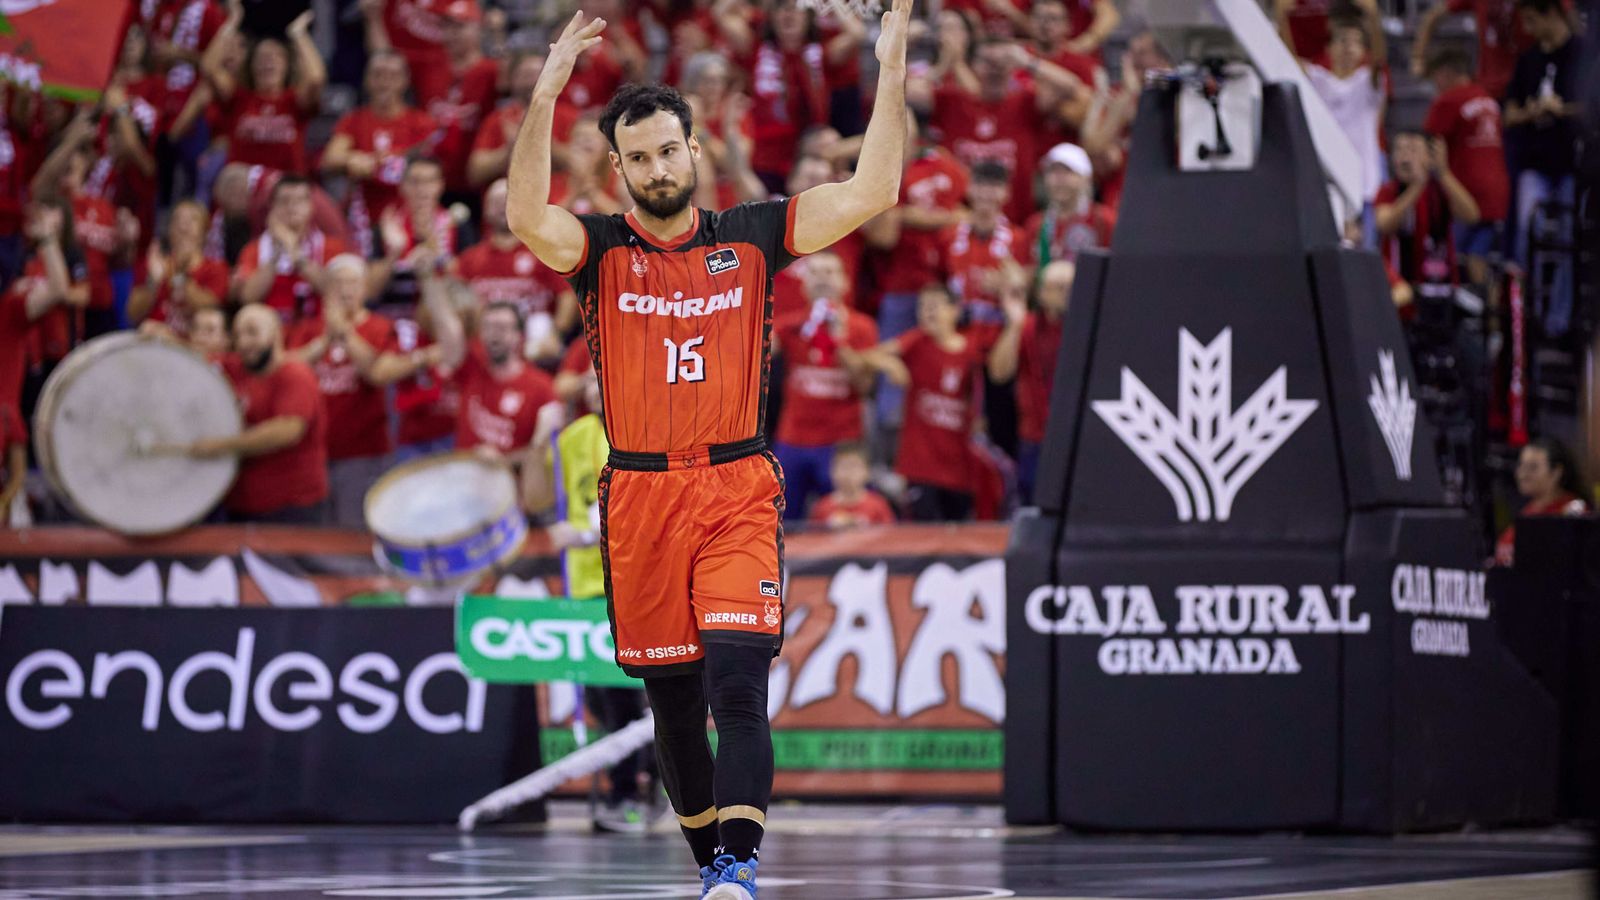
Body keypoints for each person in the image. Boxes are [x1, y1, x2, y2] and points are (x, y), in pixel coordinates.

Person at [504, 2, 913, 895]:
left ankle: (738, 868)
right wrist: (544, 94)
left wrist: (891, 67)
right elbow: (524, 213)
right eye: (638, 156)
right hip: (641, 498)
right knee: (677, 716)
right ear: (618, 169)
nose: (656, 167)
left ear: (696, 151)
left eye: (668, 149)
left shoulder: (752, 236)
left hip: (734, 488)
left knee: (739, 686)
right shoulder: (599, 249)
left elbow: (873, 191)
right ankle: (713, 875)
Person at [523, 371, 656, 833]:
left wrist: (584, 534)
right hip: (585, 588)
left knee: (628, 699)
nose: (597, 390)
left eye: (606, 379)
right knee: (605, 697)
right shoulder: (575, 435)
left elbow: (647, 510)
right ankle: (639, 784)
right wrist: (540, 440)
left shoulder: (645, 432)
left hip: (633, 582)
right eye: (592, 383)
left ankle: (632, 791)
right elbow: (536, 496)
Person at [862, 280, 1025, 521]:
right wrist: (891, 364)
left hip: (960, 468)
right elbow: (869, 355)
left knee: (956, 535)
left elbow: (999, 374)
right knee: (919, 538)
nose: (928, 312)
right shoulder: (917, 340)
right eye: (923, 307)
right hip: (919, 466)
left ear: (954, 310)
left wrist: (1015, 325)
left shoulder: (971, 349)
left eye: (935, 306)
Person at [187, 304, 329, 524]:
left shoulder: (294, 374)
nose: (243, 343)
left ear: (275, 333)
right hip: (242, 506)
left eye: (252, 332)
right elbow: (194, 356)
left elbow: (286, 431)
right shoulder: (235, 368)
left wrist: (220, 446)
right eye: (237, 335)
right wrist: (160, 337)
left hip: (290, 508)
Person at [771, 250, 878, 520]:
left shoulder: (862, 327)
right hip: (793, 440)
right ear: (804, 285)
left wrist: (839, 341)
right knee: (782, 521)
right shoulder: (790, 325)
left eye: (829, 273)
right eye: (815, 273)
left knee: (844, 523)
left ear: (845, 282)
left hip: (841, 444)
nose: (822, 280)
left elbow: (865, 387)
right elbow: (754, 353)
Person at [1503, 0, 1583, 332]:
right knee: (1525, 233)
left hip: (1571, 164)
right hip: (1534, 163)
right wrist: (1533, 111)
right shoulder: (1529, 59)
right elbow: (1509, 113)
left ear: (1552, 14)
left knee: (1568, 239)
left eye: (1534, 20)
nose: (1529, 29)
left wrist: (1562, 110)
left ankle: (1557, 320)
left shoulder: (1582, 54)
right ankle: (1527, 314)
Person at [1278, 0, 1387, 230]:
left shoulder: (1367, 82)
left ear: (1363, 52)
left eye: (1356, 42)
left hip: (1362, 184)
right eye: (1342, 41)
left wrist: (1373, 17)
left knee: (1361, 255)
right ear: (1329, 49)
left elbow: (1380, 61)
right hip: (1325, 178)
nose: (1348, 47)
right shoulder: (1319, 80)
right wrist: (1282, 17)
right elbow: (1286, 61)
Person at [321, 50, 440, 258]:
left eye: (392, 76)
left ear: (405, 81)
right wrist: (352, 159)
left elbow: (431, 165)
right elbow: (329, 159)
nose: (385, 83)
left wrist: (388, 161)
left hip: (411, 220)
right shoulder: (354, 120)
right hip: (364, 220)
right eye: (378, 75)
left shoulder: (421, 123)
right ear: (367, 80)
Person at [456, 178, 578, 363]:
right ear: (485, 210)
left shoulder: (544, 251)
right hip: (484, 350)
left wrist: (556, 334)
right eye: (495, 202)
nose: (501, 207)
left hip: (534, 348)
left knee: (541, 324)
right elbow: (455, 304)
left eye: (507, 200)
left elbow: (567, 296)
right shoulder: (469, 259)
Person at [200, 8, 325, 176]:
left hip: (284, 192)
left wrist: (299, 35)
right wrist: (231, 23)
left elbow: (316, 79)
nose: (268, 61)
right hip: (244, 191)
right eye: (261, 57)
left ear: (287, 67)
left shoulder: (294, 100)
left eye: (276, 56)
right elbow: (209, 68)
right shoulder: (239, 98)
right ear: (250, 67)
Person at [990, 259, 1073, 505]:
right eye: (1055, 287)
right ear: (1042, 291)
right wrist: (1014, 324)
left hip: (1075, 435)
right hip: (1036, 438)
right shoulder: (1029, 326)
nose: (1062, 294)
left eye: (1067, 287)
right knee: (1035, 505)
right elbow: (999, 372)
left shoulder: (1089, 324)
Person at [1423, 48, 1508, 281]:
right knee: (1479, 259)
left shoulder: (1449, 100)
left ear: (1446, 73)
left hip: (1465, 193)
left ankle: (1458, 312)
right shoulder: (1489, 100)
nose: (1436, 84)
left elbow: (1428, 145)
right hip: (1498, 191)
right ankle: (1490, 316)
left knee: (1455, 260)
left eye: (1436, 78)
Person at [1374, 131, 1480, 306]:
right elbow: (1385, 224)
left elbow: (1472, 216)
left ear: (1429, 157)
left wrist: (1444, 173)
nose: (1405, 157)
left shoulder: (1440, 189)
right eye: (1399, 150)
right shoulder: (1388, 191)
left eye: (1413, 149)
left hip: (1441, 291)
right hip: (1404, 295)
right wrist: (1416, 186)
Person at [233, 175, 350, 323]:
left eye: (299, 200)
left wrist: (292, 248)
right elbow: (248, 297)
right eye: (284, 201)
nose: (291, 207)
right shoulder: (253, 249)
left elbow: (335, 291)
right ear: (272, 207)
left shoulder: (331, 246)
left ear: (311, 206)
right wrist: (275, 255)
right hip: (271, 333)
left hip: (318, 329)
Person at [129, 200, 228, 338]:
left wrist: (180, 276)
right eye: (178, 219)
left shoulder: (216, 268)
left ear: (205, 231)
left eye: (192, 219)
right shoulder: (154, 263)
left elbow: (209, 308)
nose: (183, 226)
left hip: (191, 348)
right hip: (152, 343)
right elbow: (133, 313)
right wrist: (153, 281)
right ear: (169, 229)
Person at [1494, 437, 1591, 565]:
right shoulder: (1527, 513)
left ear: (1556, 473)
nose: (1522, 474)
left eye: (1532, 467)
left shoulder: (1573, 512)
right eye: (1521, 465)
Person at [1023, 143, 1113, 269]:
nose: (1059, 179)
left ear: (1086, 178)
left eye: (1067, 172)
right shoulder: (1036, 224)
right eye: (1053, 171)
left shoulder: (1103, 219)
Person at [807, 443, 895, 529]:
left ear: (866, 472)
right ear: (832, 472)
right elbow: (813, 538)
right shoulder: (822, 508)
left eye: (853, 467)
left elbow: (888, 536)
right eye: (843, 467)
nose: (848, 474)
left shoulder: (878, 505)